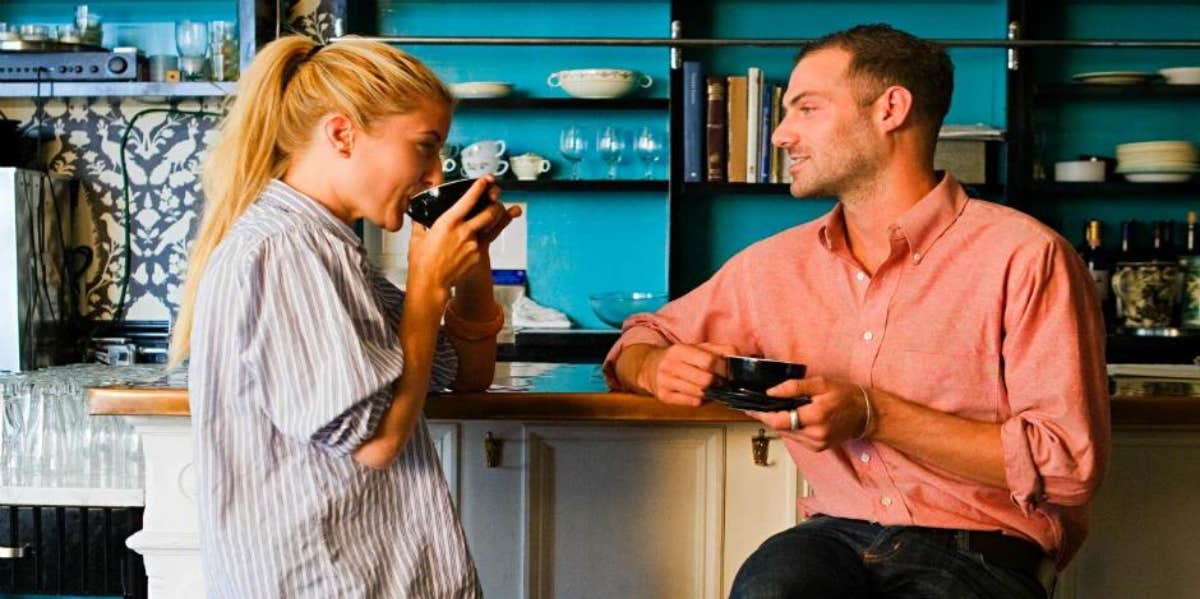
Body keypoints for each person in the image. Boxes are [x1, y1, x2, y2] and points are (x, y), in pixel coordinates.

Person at [605, 24, 1108, 599]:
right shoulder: (773, 265)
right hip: (831, 538)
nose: (780, 135)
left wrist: (874, 414)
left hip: (981, 548)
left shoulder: (1027, 257)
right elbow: (639, 339)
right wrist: (654, 367)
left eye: (805, 109)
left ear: (891, 109)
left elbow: (1068, 466)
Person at [168, 35, 521, 598]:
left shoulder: (329, 248)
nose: (435, 176)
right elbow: (375, 442)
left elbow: (464, 373)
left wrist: (473, 266)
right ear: (341, 134)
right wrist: (427, 284)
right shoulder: (286, 250)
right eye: (425, 147)